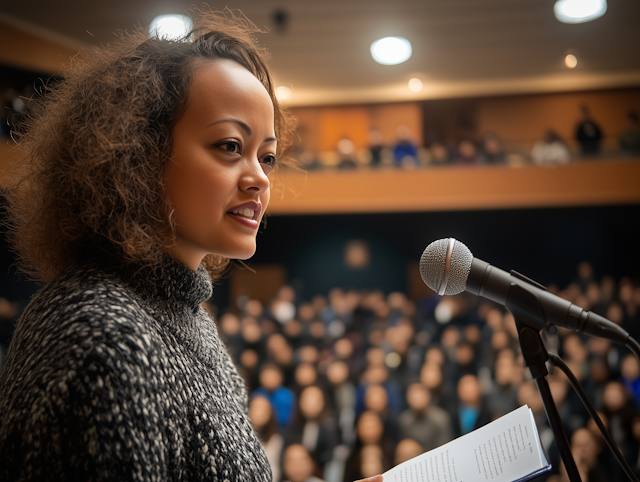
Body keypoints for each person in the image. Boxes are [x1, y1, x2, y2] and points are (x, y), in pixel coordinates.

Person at [0, 10, 298, 481]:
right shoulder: (101, 331)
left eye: (268, 156)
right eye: (228, 146)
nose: (260, 178)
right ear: (139, 151)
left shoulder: (185, 316)